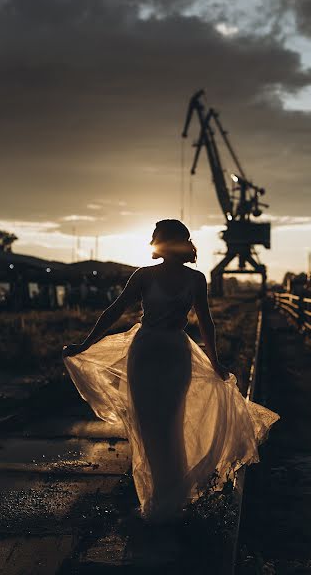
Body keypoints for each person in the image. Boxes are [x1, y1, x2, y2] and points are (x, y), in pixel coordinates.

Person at [62, 219, 279, 522]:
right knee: (150, 427)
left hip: (173, 355)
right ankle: (160, 499)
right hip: (148, 352)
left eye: (159, 238)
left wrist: (215, 363)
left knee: (169, 425)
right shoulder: (144, 276)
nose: (156, 242)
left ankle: (169, 500)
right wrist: (85, 345)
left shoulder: (195, 279)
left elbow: (207, 324)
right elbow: (114, 311)